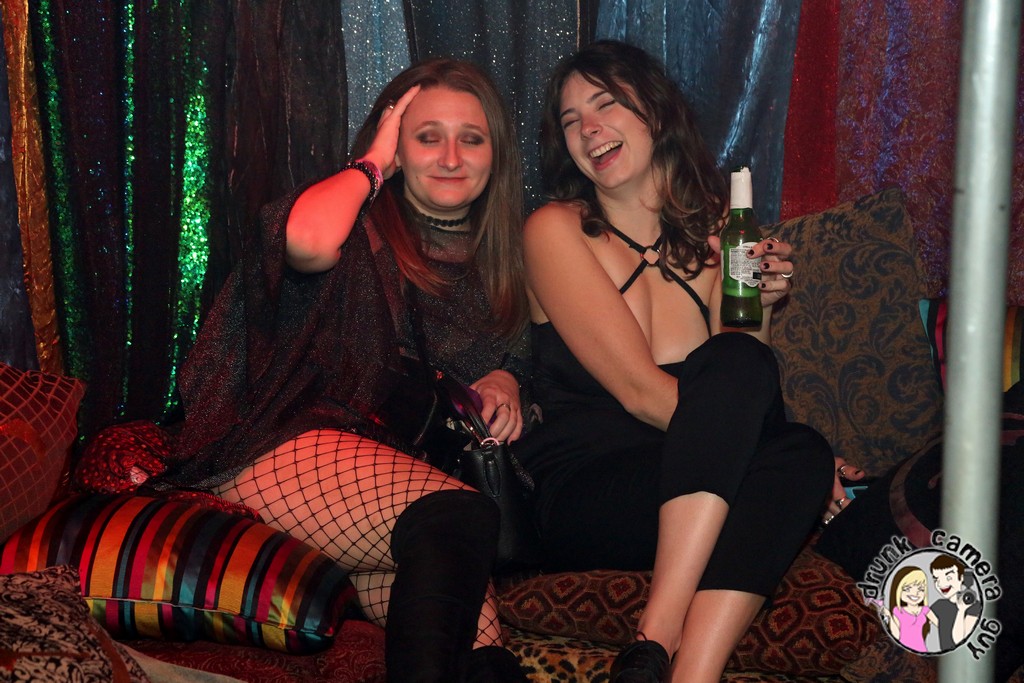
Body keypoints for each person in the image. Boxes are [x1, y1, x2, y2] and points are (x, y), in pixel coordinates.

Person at [161, 58, 530, 683]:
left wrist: (508, 378)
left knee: (480, 644)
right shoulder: (353, 221)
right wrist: (373, 165)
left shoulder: (502, 263)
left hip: (379, 501)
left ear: (496, 155)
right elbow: (305, 241)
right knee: (461, 515)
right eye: (427, 136)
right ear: (396, 146)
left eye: (471, 139)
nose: (450, 157)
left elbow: (521, 357)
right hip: (270, 448)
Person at [512, 40, 835, 683]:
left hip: (692, 482)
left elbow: (741, 375)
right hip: (589, 486)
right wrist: (760, 442)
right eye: (572, 120)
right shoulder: (553, 229)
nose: (589, 128)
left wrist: (759, 303)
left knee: (801, 448)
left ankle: (690, 674)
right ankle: (654, 637)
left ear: (656, 111)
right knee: (791, 452)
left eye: (605, 104)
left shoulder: (720, 232)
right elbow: (640, 392)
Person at [929, 554, 982, 651]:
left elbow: (959, 640)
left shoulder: (974, 606)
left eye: (948, 577)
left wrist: (961, 610)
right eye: (936, 579)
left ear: (961, 578)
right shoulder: (939, 605)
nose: (941, 584)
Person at [886, 565, 937, 652]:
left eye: (921, 589)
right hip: (902, 650)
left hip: (921, 650)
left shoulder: (925, 610)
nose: (915, 593)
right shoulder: (897, 611)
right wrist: (889, 617)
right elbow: (896, 635)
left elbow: (941, 625)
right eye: (907, 588)